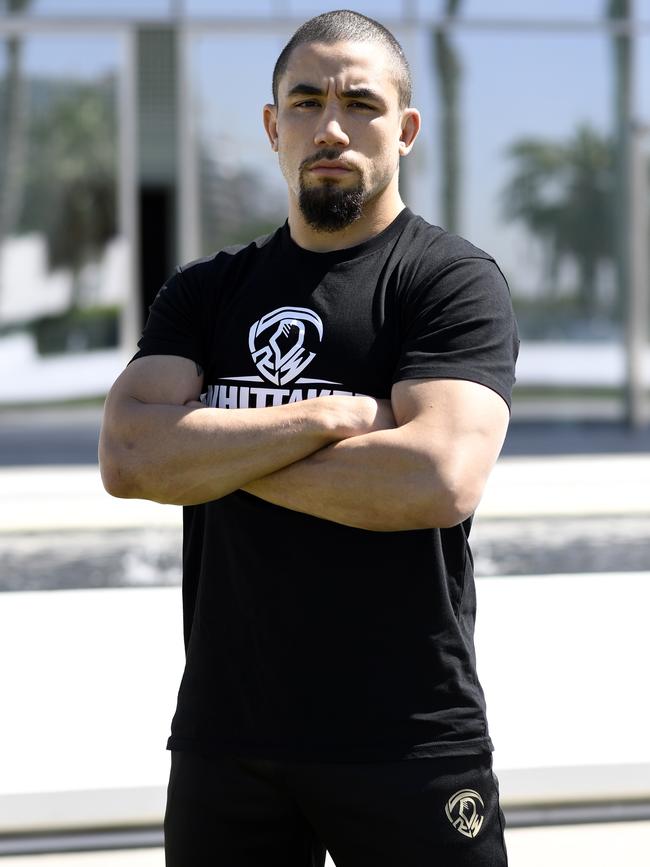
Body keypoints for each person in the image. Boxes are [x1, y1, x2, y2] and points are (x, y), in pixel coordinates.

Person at [99, 9, 518, 866]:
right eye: (305, 101)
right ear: (272, 126)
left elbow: (436, 477)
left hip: (408, 737)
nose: (331, 126)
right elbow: (131, 457)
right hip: (229, 739)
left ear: (403, 130)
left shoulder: (448, 281)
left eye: (360, 103)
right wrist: (328, 417)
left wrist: (210, 450)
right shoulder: (207, 292)